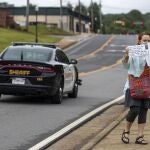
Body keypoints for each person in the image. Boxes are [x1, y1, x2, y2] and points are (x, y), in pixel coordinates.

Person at [121, 32, 150, 145]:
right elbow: (125, 66)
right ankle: (126, 131)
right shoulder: (134, 51)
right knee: (135, 109)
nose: (147, 43)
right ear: (139, 41)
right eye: (144, 40)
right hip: (135, 85)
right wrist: (127, 55)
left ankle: (140, 136)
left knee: (144, 110)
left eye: (149, 41)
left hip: (148, 87)